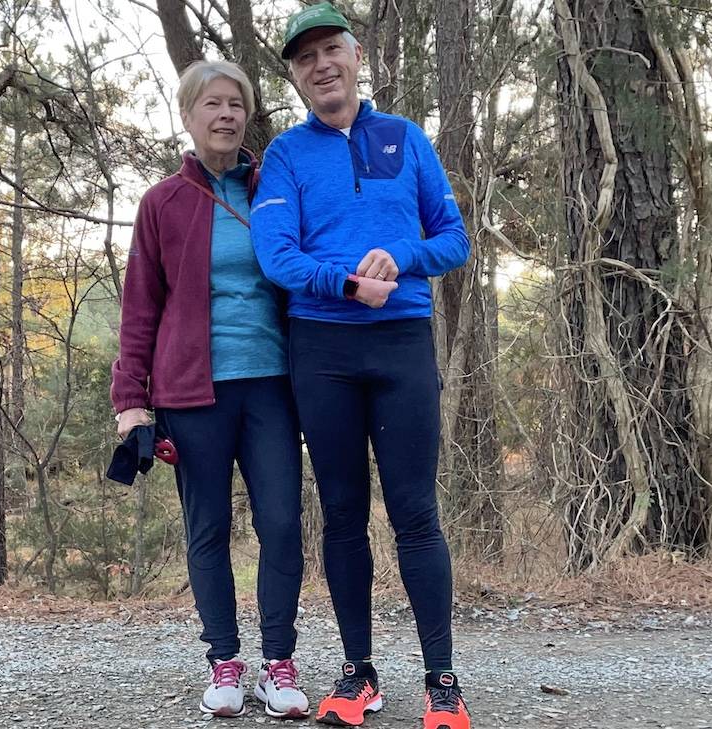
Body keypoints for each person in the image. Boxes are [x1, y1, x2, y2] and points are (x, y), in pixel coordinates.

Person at [250, 5, 472, 728]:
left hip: (402, 342)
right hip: (322, 349)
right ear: (295, 74)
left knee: (415, 513)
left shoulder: (405, 139)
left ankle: (442, 680)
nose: (320, 66)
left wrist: (402, 256)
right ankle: (358, 673)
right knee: (342, 514)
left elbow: (453, 240)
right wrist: (346, 282)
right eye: (304, 58)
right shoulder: (285, 155)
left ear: (356, 55)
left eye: (331, 50)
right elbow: (276, 255)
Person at [110, 60, 309, 720]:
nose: (226, 114)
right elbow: (141, 307)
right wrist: (130, 399)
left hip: (273, 386)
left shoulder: (275, 190)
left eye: (236, 104)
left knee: (281, 523)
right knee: (208, 528)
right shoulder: (162, 202)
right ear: (189, 116)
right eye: (212, 104)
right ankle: (224, 660)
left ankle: (278, 661)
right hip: (191, 391)